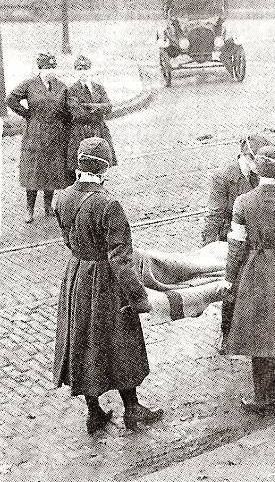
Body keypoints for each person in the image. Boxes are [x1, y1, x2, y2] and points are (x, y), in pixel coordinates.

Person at [53, 137, 163, 433]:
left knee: (83, 342)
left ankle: (95, 412)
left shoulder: (61, 197)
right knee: (119, 341)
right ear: (104, 168)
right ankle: (132, 409)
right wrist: (138, 298)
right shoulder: (108, 203)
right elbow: (121, 258)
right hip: (106, 282)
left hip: (77, 275)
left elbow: (67, 240)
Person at [220, 144, 275, 417]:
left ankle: (261, 397)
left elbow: (236, 245)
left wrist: (230, 278)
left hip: (256, 269)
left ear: (261, 169)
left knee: (260, 333)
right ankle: (273, 393)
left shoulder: (243, 202)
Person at [203, 134, 273, 338]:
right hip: (232, 239)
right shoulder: (224, 177)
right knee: (232, 288)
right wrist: (208, 249)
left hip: (258, 238)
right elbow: (214, 215)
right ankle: (227, 334)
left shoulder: (262, 175)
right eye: (255, 162)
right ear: (245, 156)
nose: (259, 169)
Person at [6, 52, 70, 223]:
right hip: (35, 133)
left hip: (55, 134)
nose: (50, 71)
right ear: (40, 69)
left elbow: (67, 108)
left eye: (53, 68)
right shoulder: (29, 84)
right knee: (34, 172)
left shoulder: (61, 86)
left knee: (51, 171)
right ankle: (30, 209)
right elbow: (11, 99)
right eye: (47, 68)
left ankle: (48, 206)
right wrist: (26, 114)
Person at [66, 55, 117, 182]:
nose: (83, 73)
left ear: (90, 70)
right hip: (81, 132)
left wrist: (90, 106)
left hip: (99, 130)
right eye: (79, 70)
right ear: (75, 72)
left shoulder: (98, 88)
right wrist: (99, 109)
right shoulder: (72, 91)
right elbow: (78, 113)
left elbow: (109, 106)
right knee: (82, 165)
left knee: (101, 162)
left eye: (86, 69)